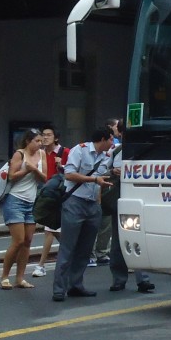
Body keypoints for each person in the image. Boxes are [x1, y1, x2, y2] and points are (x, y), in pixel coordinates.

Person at [52, 127, 115, 302]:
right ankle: (59, 289)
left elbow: (102, 178)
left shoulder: (106, 157)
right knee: (68, 248)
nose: (113, 143)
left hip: (93, 205)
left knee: (85, 249)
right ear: (103, 139)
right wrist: (94, 179)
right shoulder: (79, 150)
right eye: (111, 139)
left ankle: (76, 285)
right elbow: (69, 174)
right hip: (75, 203)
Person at [105, 131, 155, 295]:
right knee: (118, 241)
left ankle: (143, 280)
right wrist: (113, 172)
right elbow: (104, 169)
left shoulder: (144, 151)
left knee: (138, 238)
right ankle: (119, 279)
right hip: (120, 199)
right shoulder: (116, 151)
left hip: (138, 200)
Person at [0, 128, 46, 289]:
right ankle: (5, 276)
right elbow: (12, 175)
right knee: (18, 240)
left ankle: (20, 278)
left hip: (32, 201)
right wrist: (27, 169)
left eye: (41, 141)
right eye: (36, 141)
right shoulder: (20, 154)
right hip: (15, 200)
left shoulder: (42, 155)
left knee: (27, 241)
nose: (40, 144)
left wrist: (35, 170)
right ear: (28, 141)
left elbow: (44, 178)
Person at [32, 126, 68, 277]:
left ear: (56, 138)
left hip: (59, 195)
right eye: (43, 135)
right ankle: (76, 253)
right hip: (45, 194)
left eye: (48, 135)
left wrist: (63, 166)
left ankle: (41, 265)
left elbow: (73, 172)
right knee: (55, 231)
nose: (45, 138)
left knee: (49, 229)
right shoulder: (39, 154)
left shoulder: (64, 152)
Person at [91, 118, 121, 267]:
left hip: (107, 193)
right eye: (111, 138)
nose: (113, 140)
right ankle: (89, 255)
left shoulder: (110, 152)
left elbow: (105, 171)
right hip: (90, 195)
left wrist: (111, 172)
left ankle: (101, 253)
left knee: (106, 225)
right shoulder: (83, 151)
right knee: (92, 225)